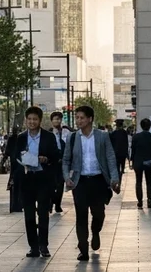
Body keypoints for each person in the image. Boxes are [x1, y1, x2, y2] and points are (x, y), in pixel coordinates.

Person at [62, 105, 121, 261]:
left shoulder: (102, 136)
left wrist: (114, 178)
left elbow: (110, 157)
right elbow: (66, 159)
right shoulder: (73, 137)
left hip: (98, 181)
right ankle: (83, 248)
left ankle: (95, 232)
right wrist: (66, 177)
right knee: (81, 216)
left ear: (90, 119)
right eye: (77, 117)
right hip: (79, 182)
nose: (78, 120)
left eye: (82, 117)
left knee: (98, 214)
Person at [12, 106, 61, 258]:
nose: (32, 122)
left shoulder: (48, 136)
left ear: (40, 121)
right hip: (27, 179)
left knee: (43, 213)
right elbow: (16, 158)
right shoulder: (21, 137)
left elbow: (56, 155)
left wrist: (46, 158)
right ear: (26, 120)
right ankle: (33, 246)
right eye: (29, 119)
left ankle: (43, 245)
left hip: (43, 178)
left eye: (35, 119)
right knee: (28, 214)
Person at [131, 118, 151, 209]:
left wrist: (132, 161)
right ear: (150, 126)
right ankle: (149, 200)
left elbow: (133, 150)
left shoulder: (136, 137)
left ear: (141, 126)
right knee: (149, 182)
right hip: (149, 162)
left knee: (138, 182)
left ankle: (140, 201)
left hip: (138, 162)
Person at [48, 111, 69, 213]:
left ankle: (57, 204)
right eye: (55, 119)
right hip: (52, 162)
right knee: (51, 184)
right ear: (51, 121)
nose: (57, 121)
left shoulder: (67, 131)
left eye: (58, 119)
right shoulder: (49, 132)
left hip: (63, 161)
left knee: (60, 184)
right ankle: (51, 203)